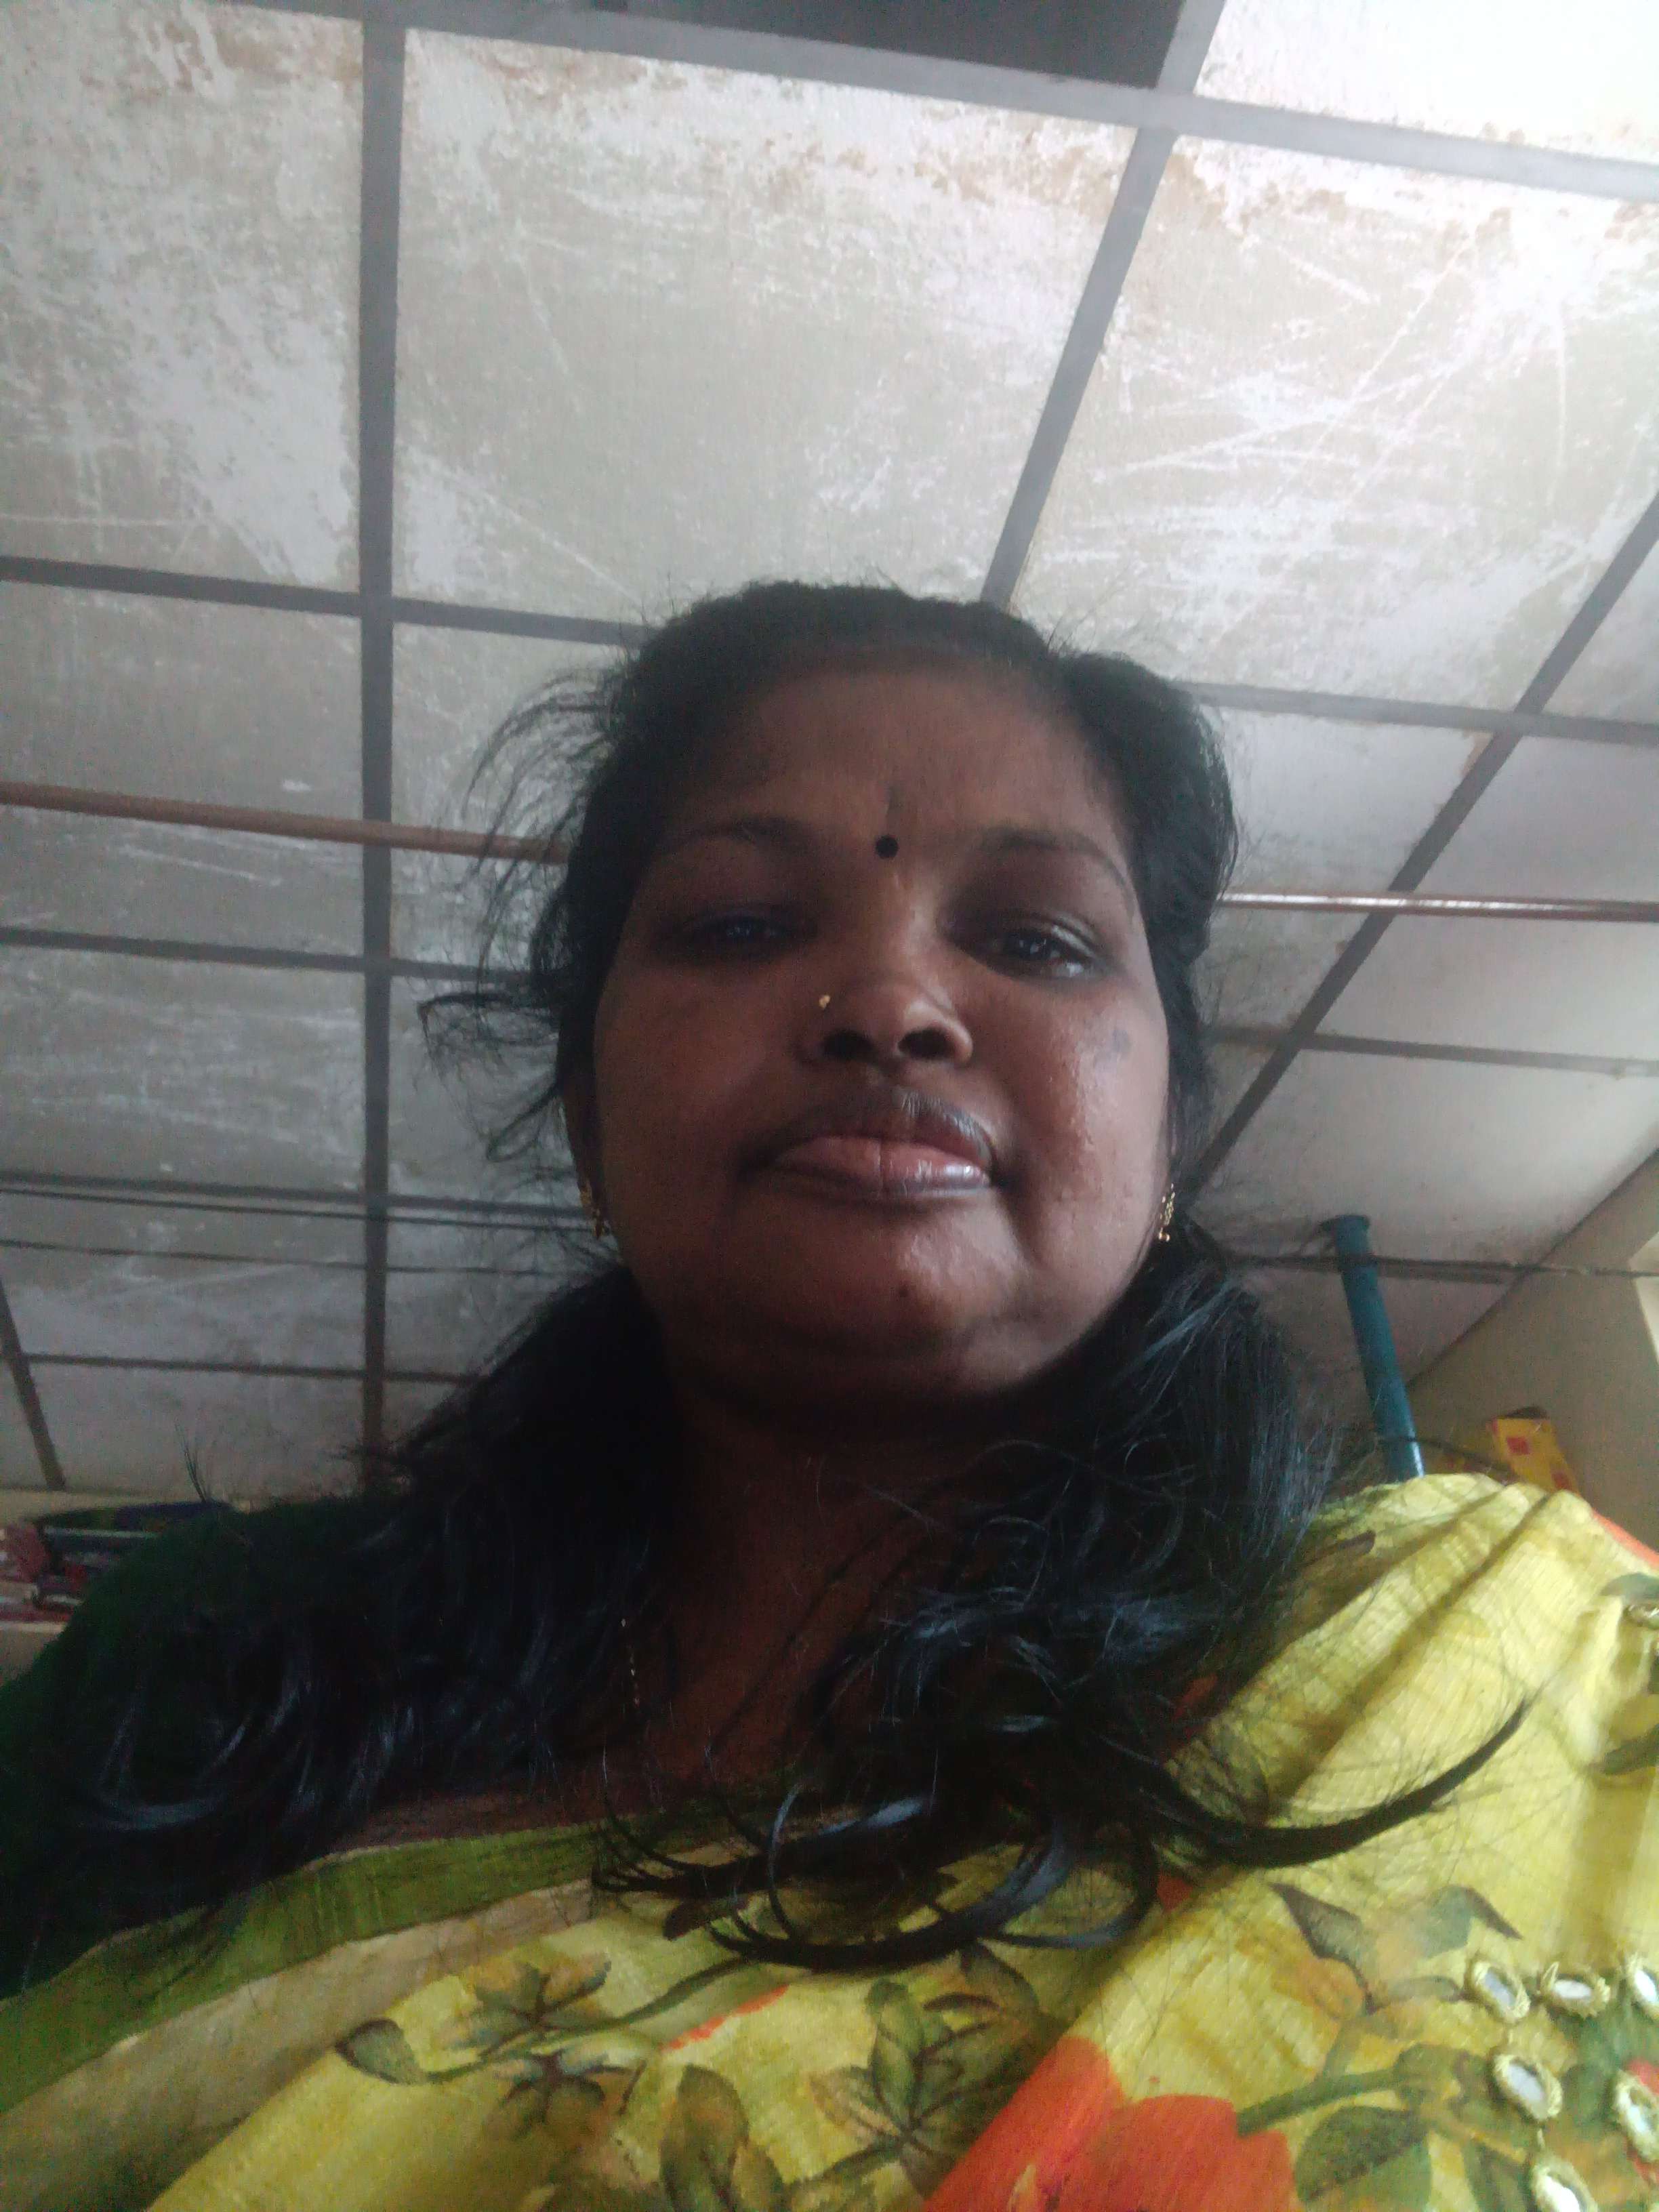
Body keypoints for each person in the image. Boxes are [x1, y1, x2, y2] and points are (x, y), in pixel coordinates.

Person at [1, 581, 1655, 2212]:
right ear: (589, 1126)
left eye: (1035, 938)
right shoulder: (201, 1668)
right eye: (739, 925)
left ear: (1166, 1144)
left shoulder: (1490, 1669)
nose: (891, 1006)